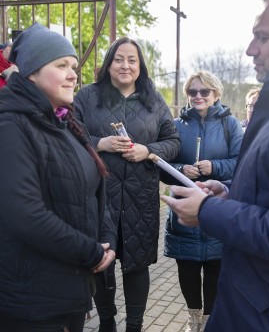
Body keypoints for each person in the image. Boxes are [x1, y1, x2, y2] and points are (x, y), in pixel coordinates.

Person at [161, 0, 269, 332]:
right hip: (253, 304)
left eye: (262, 37)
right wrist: (231, 192)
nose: (250, 49)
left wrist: (207, 210)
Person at [0, 22, 116, 331]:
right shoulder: (11, 126)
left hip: (70, 289)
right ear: (32, 72)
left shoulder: (66, 122)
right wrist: (89, 251)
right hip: (33, 301)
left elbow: (89, 192)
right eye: (61, 65)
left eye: (74, 66)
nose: (73, 74)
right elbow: (25, 213)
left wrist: (107, 238)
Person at [74, 37, 180, 332]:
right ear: (108, 64)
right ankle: (107, 321)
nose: (125, 65)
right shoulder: (87, 97)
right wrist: (101, 143)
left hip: (140, 195)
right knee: (102, 260)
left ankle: (134, 325)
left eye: (132, 60)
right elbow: (68, 136)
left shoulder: (154, 100)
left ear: (140, 66)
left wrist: (148, 151)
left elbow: (174, 142)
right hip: (99, 194)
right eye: (119, 59)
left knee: (137, 265)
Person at [163, 71, 243, 332]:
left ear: (216, 94)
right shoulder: (176, 126)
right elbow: (162, 166)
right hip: (184, 208)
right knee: (186, 268)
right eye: (192, 92)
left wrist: (213, 167)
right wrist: (182, 169)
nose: (198, 96)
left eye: (204, 91)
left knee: (214, 270)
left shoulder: (229, 125)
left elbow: (241, 163)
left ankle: (210, 322)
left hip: (216, 207)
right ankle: (193, 320)